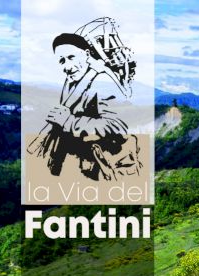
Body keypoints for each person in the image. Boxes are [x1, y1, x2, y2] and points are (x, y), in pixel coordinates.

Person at [28, 32, 141, 181]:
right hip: (79, 171)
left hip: (102, 172)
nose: (67, 66)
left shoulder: (102, 82)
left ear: (87, 54)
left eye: (71, 57)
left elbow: (116, 126)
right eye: (62, 61)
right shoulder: (71, 84)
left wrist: (69, 121)